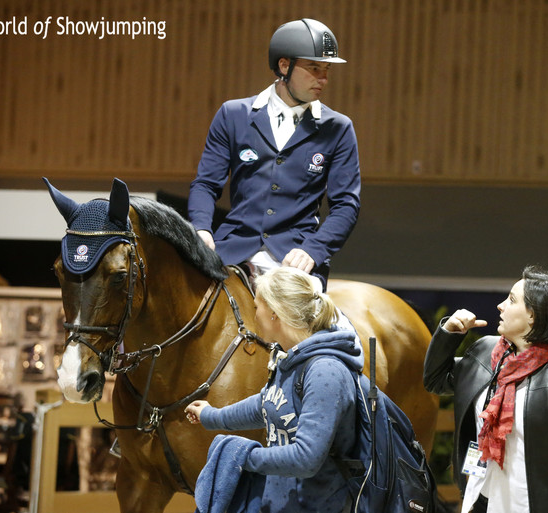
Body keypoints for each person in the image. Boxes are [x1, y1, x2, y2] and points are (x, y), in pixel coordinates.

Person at [423, 265, 548, 513]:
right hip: (480, 497)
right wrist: (448, 334)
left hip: (535, 504)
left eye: (512, 300)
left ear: (534, 316)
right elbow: (436, 380)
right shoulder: (486, 352)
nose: (501, 305)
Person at [187, 18, 361, 291]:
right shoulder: (233, 115)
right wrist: (201, 229)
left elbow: (346, 205)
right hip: (233, 250)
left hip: (295, 257)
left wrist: (313, 250)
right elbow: (206, 184)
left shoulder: (339, 128)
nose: (323, 79)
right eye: (314, 68)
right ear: (284, 65)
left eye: (326, 70)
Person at [184, 266, 361, 512]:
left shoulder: (325, 371)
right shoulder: (291, 358)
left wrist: (240, 455)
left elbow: (306, 459)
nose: (254, 315)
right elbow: (268, 403)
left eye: (257, 307)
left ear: (275, 313)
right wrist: (211, 416)